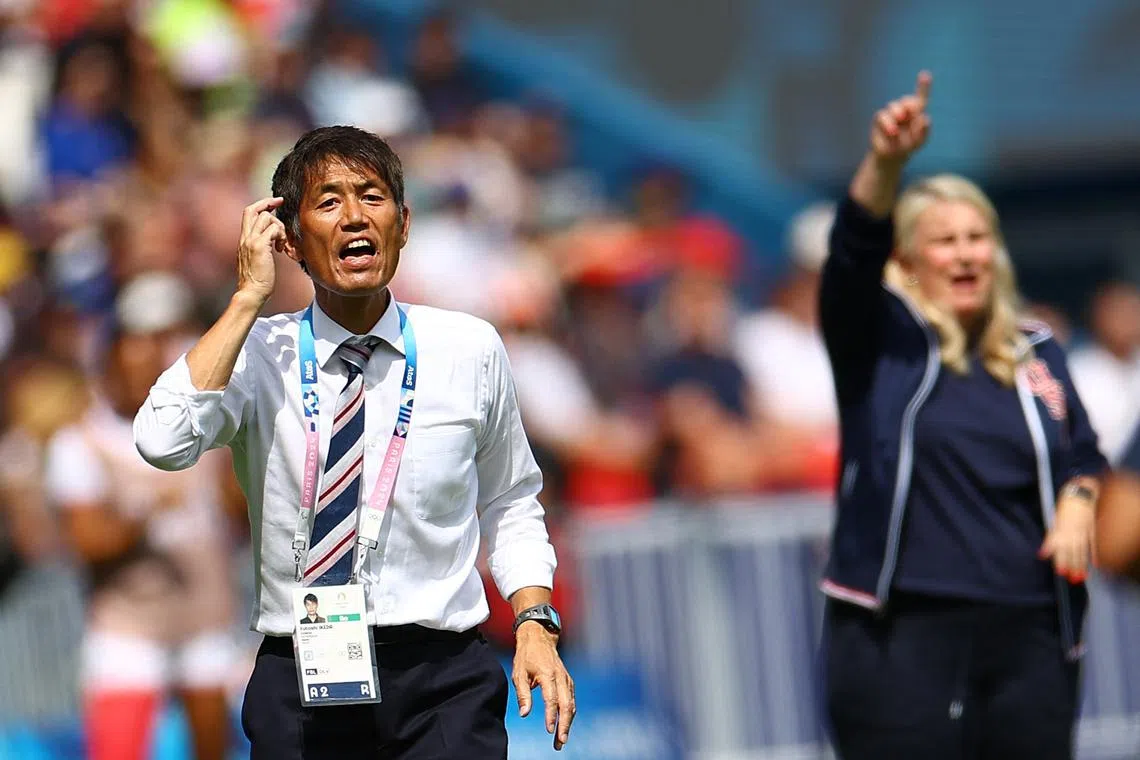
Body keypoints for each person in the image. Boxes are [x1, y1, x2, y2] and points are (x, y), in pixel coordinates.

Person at [134, 125, 574, 759]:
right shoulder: (258, 352)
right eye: (328, 200)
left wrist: (534, 622)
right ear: (290, 236)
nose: (354, 217)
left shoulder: (468, 346)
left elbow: (511, 500)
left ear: (403, 222)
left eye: (371, 196)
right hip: (303, 673)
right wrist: (246, 300)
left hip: (441, 678)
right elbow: (161, 439)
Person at [819, 72, 1107, 760]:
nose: (966, 254)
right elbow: (852, 251)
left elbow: (1083, 453)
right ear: (909, 259)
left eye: (978, 237)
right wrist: (886, 162)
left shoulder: (1035, 350)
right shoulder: (876, 342)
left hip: (1032, 632)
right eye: (945, 240)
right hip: (901, 637)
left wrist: (1079, 501)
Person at [46, 318, 238, 760]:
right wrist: (146, 512)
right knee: (117, 749)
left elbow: (238, 510)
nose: (138, 383)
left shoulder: (204, 428)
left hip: (202, 617)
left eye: (149, 372)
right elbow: (88, 542)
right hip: (126, 625)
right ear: (105, 374)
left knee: (213, 747)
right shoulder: (80, 443)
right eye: (127, 371)